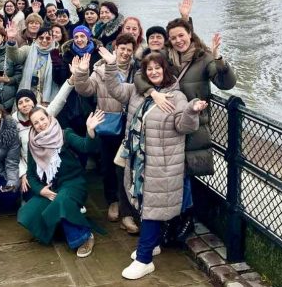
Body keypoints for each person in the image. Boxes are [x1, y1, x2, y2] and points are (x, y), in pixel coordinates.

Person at [98, 47, 207, 280]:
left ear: (165, 70)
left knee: (150, 210)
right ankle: (154, 244)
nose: (154, 72)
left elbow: (184, 127)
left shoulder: (177, 97)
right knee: (143, 204)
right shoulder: (137, 92)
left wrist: (191, 110)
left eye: (158, 68)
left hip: (162, 165)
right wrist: (111, 65)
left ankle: (144, 259)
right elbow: (115, 89)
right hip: (139, 161)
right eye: (149, 69)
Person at [135, 17, 237, 243]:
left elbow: (227, 83)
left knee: (184, 173)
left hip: (193, 124)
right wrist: (153, 93)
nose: (178, 40)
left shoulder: (205, 58)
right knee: (170, 173)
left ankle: (185, 217)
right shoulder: (165, 56)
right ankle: (170, 219)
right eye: (173, 37)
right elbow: (140, 75)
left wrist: (219, 58)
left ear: (190, 34)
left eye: (181, 35)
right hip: (168, 123)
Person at [17, 107, 105, 258]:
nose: (40, 124)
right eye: (36, 123)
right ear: (32, 126)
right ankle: (65, 222)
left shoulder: (64, 134)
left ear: (49, 117)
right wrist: (41, 190)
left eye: (42, 119)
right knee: (28, 213)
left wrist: (90, 130)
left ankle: (84, 236)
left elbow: (87, 147)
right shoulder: (33, 144)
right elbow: (31, 175)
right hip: (53, 187)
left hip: (73, 183)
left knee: (61, 202)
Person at [73, 34, 139, 234]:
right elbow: (86, 90)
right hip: (108, 124)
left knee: (128, 166)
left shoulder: (137, 70)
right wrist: (81, 73)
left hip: (131, 125)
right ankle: (113, 201)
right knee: (109, 165)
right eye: (122, 49)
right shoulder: (101, 69)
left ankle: (128, 208)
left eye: (129, 50)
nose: (125, 53)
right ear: (115, 48)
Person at [12, 78, 73, 196]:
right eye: (20, 102)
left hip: (52, 164)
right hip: (32, 170)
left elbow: (59, 100)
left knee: (59, 193)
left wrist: (70, 82)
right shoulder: (14, 124)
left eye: (27, 100)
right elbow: (15, 153)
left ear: (34, 102)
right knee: (30, 196)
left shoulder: (43, 115)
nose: (24, 104)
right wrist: (23, 173)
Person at [6, 24, 60, 105]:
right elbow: (15, 57)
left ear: (53, 39)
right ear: (36, 39)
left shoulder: (57, 54)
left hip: (47, 99)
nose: (44, 41)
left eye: (48, 38)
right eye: (41, 38)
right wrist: (11, 40)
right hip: (27, 96)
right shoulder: (28, 50)